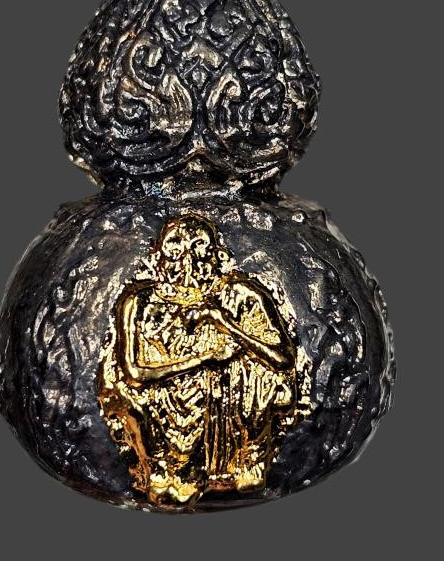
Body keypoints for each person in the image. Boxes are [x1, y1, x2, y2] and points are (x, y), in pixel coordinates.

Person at [98, 213, 297, 507]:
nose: (188, 260)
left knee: (255, 372)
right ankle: (169, 466)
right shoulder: (139, 301)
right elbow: (134, 372)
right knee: (130, 394)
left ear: (216, 255)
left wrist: (224, 321)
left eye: (198, 248)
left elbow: (282, 359)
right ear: (160, 254)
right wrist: (205, 358)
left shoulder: (240, 295)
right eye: (176, 247)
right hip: (165, 397)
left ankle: (247, 456)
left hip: (225, 399)